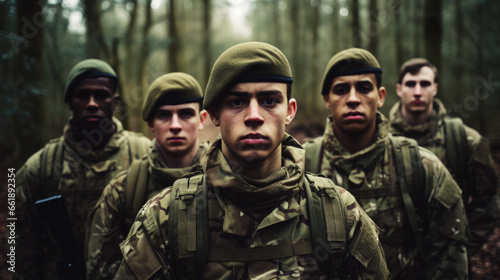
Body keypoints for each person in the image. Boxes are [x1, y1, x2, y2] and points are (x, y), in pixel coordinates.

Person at [114, 42, 390, 279]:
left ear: (289, 111)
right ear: (213, 115)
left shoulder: (340, 213)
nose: (254, 115)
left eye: (270, 100)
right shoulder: (165, 218)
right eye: (237, 102)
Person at [303, 48, 469, 279]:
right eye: (341, 90)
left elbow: (450, 259)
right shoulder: (301, 167)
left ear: (381, 96)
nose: (352, 99)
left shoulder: (421, 166)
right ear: (326, 100)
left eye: (363, 88)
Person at [15, 59, 151, 280]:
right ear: (70, 101)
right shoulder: (41, 166)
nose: (91, 103)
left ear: (115, 101)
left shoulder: (143, 154)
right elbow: (23, 247)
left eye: (101, 95)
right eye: (82, 95)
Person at [85, 72, 209, 280]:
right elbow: (100, 269)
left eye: (186, 114)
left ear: (202, 119)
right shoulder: (123, 190)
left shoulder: (225, 180)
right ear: (151, 125)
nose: (175, 125)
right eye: (164, 115)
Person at [388, 58, 499, 267]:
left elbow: (488, 203)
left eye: (425, 83)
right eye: (411, 84)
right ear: (399, 89)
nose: (418, 91)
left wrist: (460, 250)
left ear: (435, 88)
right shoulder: (379, 140)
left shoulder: (465, 140)